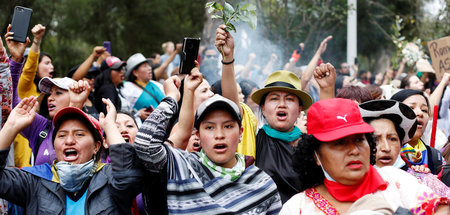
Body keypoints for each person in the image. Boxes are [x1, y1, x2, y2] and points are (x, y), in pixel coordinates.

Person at [134, 76, 282, 213]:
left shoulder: (261, 183)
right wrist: (171, 98)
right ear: (198, 135)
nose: (219, 135)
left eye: (228, 126)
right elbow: (144, 145)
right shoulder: (183, 167)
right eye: (210, 127)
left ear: (241, 133)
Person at [281, 98, 449, 214]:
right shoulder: (298, 208)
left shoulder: (395, 181)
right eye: (339, 143)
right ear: (316, 155)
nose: (354, 150)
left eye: (360, 139)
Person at [0, 97, 142, 214]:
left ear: (96, 146)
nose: (69, 141)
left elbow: (127, 176)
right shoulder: (34, 180)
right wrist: (11, 126)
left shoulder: (110, 177)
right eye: (61, 135)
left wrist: (110, 125)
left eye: (79, 134)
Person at [360, 99, 450, 198]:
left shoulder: (424, 181)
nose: (386, 148)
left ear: (401, 143)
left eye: (393, 139)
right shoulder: (351, 184)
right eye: (375, 139)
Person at [391, 89, 445, 174]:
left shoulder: (435, 157)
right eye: (410, 108)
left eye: (424, 110)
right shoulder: (383, 153)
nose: (420, 113)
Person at [122, 53, 165, 123]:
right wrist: (137, 114)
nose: (149, 68)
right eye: (145, 66)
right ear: (135, 72)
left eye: (148, 65)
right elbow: (123, 111)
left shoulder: (157, 84)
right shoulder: (127, 89)